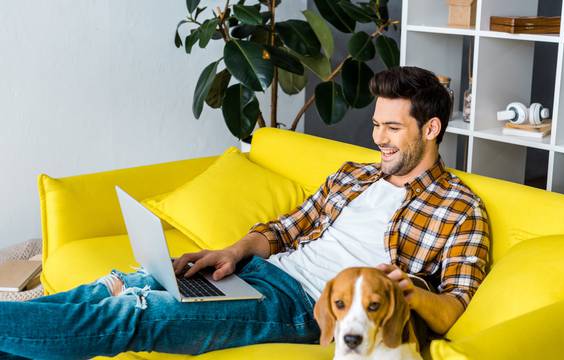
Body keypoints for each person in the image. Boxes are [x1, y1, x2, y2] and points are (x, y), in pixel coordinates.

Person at [0, 66, 490, 359]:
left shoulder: (459, 208)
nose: (377, 138)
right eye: (376, 124)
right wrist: (232, 252)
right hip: (259, 273)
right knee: (115, 285)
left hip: (300, 306)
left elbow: (454, 307)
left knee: (136, 311)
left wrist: (410, 293)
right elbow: (285, 229)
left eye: (391, 128)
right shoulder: (354, 174)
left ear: (430, 129)